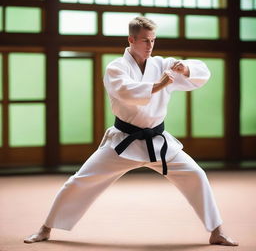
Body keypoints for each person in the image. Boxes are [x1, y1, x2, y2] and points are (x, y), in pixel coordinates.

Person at [24, 16, 238, 246]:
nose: (150, 46)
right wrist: (159, 85)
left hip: (157, 141)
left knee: (196, 175)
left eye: (153, 40)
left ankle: (217, 231)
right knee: (80, 181)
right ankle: (45, 228)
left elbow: (201, 71)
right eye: (145, 41)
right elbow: (127, 92)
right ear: (131, 40)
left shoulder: (162, 65)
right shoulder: (116, 67)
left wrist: (185, 69)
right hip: (123, 142)